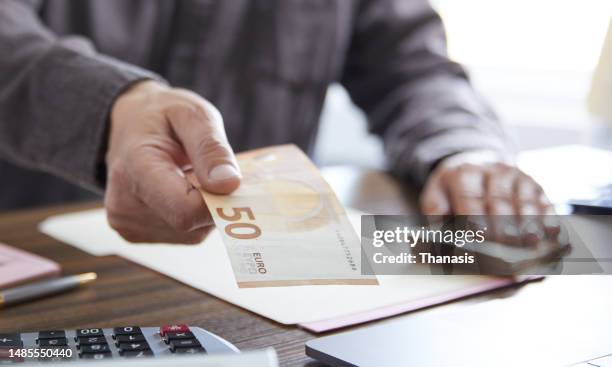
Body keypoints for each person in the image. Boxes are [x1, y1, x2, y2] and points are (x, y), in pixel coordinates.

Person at [0, 0, 551, 244]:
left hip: (257, 299)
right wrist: (115, 107)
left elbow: (412, 69)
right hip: (38, 271)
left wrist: (463, 152)